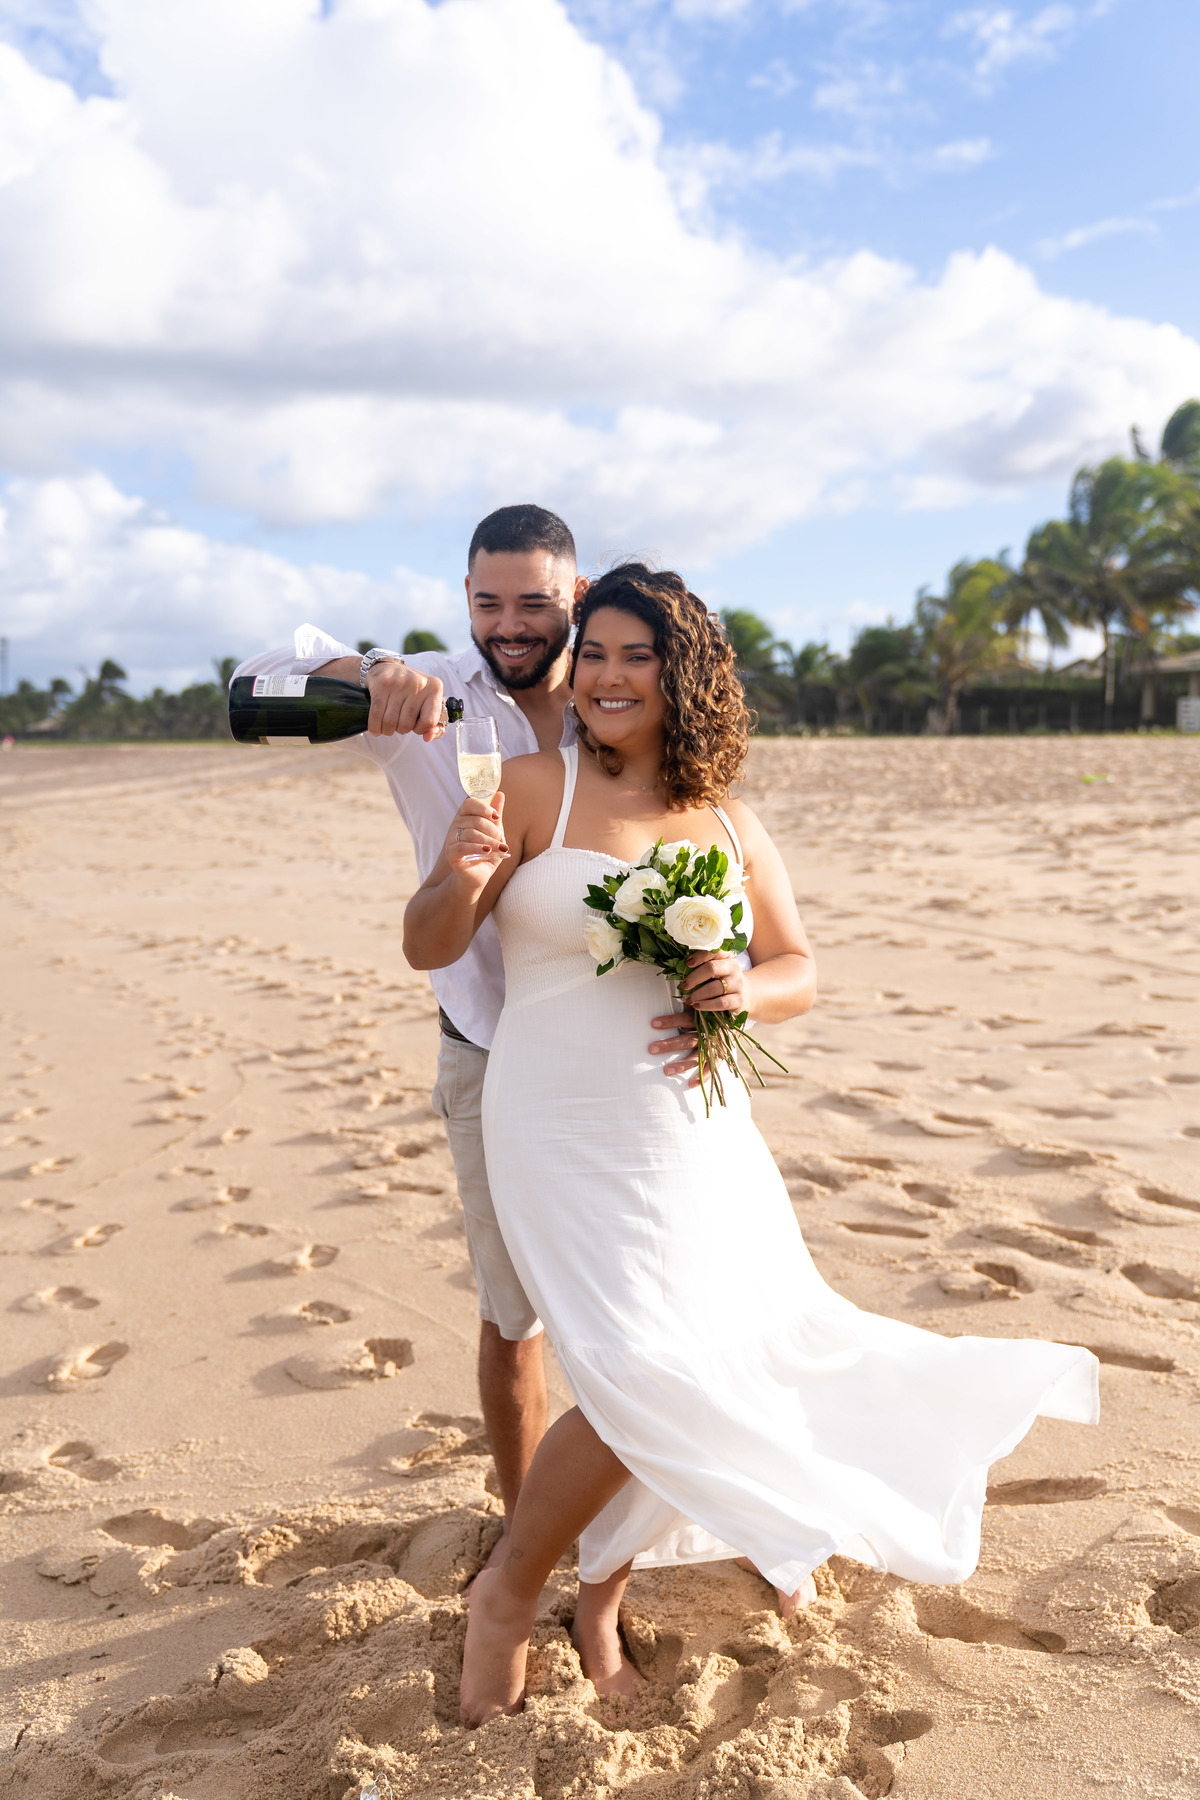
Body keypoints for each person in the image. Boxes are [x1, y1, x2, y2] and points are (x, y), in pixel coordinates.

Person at [403, 561, 1101, 1726]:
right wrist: (463, 873)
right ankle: (508, 1599)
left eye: (638, 656)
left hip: (694, 1127)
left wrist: (741, 987)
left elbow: (798, 968)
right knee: (639, 1366)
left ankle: (591, 1598)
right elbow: (429, 945)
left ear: (683, 675)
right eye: (596, 654)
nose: (609, 676)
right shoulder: (527, 787)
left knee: (697, 1357)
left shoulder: (727, 819)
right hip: (557, 1123)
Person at [230, 505, 703, 1574]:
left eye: (534, 602)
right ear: (465, 601)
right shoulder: (426, 697)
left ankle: (647, 1522)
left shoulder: (614, 700)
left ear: (575, 596)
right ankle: (527, 1537)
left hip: (622, 1053)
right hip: (487, 1047)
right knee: (512, 1311)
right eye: (488, 603)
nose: (510, 624)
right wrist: (373, 666)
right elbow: (255, 684)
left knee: (644, 1296)